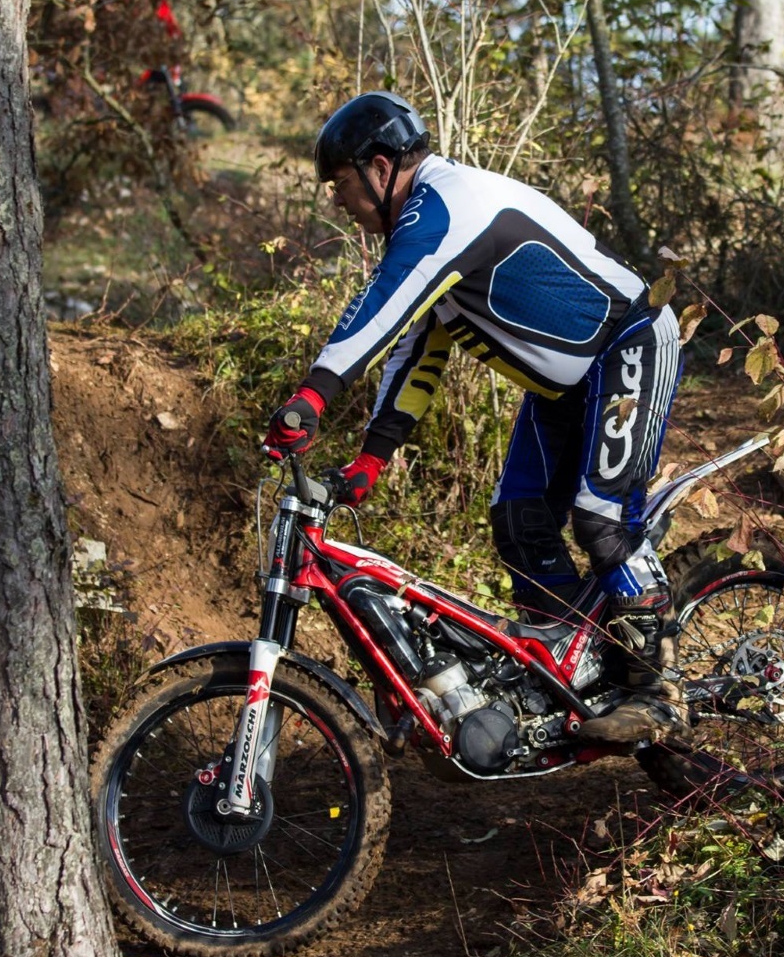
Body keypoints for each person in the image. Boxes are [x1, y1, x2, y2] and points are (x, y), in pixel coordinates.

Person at [262, 91, 685, 744]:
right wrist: (373, 457)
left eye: (340, 183)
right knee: (519, 519)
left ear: (380, 167)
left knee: (601, 517)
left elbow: (383, 304)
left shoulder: (448, 205)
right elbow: (415, 350)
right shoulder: (426, 231)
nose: (337, 201)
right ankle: (571, 668)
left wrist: (313, 395)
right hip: (566, 385)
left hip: (630, 342)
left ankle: (657, 693)